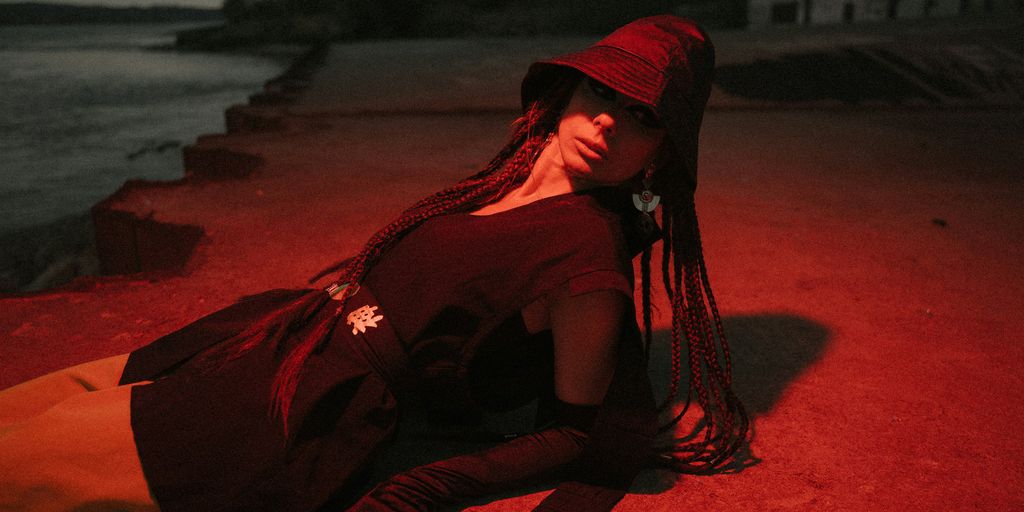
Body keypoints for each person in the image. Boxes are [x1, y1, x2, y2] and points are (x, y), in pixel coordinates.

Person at [0, 15, 747, 512]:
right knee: (27, 413)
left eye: (642, 116)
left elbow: (573, 432)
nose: (608, 119)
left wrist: (422, 489)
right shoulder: (506, 174)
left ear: (660, 153)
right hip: (267, 342)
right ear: (565, 92)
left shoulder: (587, 255)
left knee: (27, 469)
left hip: (296, 418)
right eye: (600, 90)